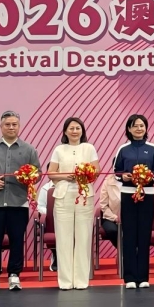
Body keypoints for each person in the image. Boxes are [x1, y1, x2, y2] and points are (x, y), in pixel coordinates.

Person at [0, 110, 41, 292]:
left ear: (19, 127)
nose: (11, 127)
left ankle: (14, 275)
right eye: (7, 124)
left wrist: (28, 177)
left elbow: (37, 173)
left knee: (17, 240)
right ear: (1, 127)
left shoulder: (29, 149)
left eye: (14, 124)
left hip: (18, 203)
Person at [47, 116, 100, 290]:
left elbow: (96, 171)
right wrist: (65, 176)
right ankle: (65, 281)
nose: (75, 131)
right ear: (65, 131)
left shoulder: (89, 148)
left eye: (78, 128)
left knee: (84, 238)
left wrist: (86, 175)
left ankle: (81, 280)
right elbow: (51, 173)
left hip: (84, 196)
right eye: (71, 128)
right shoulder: (59, 149)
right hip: (63, 196)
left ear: (82, 130)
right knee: (64, 238)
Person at [113, 114, 154, 289]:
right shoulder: (123, 149)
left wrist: (149, 178)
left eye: (142, 125)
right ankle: (129, 277)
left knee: (144, 235)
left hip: (147, 195)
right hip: (128, 195)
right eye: (135, 126)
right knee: (129, 236)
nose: (138, 129)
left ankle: (143, 277)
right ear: (129, 129)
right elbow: (116, 171)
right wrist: (124, 177)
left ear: (146, 128)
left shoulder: (153, 148)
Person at [37, 181, 58, 271]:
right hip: (51, 220)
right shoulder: (45, 188)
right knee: (49, 220)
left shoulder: (71, 186)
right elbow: (40, 206)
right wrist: (51, 212)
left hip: (68, 216)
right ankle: (56, 255)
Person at [97, 176, 121, 251]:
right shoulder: (107, 181)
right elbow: (103, 205)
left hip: (129, 218)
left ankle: (130, 253)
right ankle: (125, 252)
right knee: (112, 230)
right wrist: (115, 217)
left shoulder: (134, 180)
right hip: (110, 217)